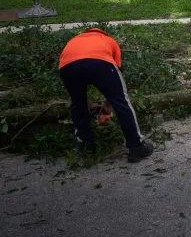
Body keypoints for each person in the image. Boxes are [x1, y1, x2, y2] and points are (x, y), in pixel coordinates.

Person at [58, 29, 153, 163]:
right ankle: (136, 146)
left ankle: (86, 144)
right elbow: (117, 77)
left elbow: (78, 66)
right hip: (101, 63)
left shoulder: (73, 41)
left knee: (77, 102)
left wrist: (87, 104)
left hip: (67, 66)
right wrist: (109, 104)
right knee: (121, 102)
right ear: (103, 33)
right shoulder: (109, 40)